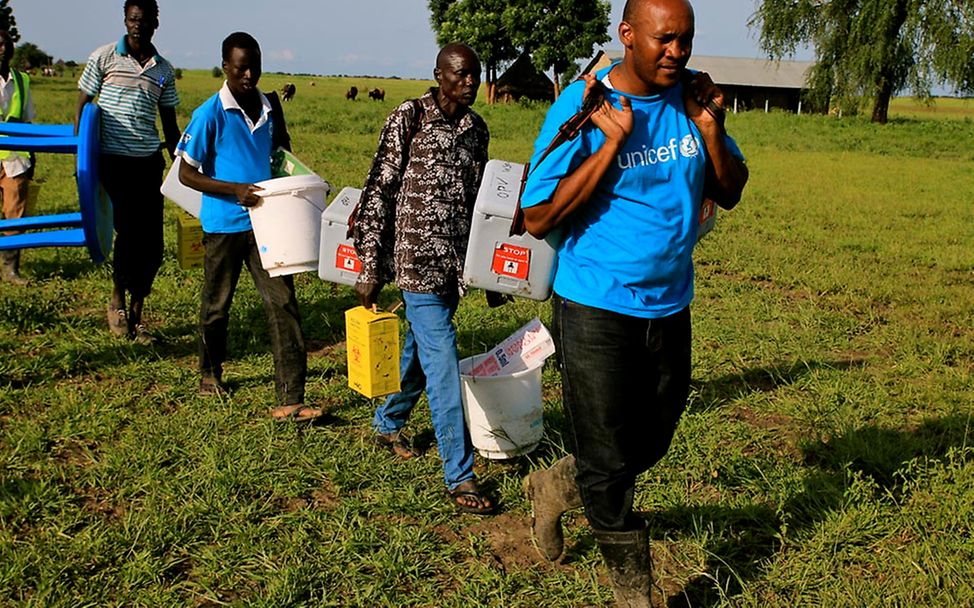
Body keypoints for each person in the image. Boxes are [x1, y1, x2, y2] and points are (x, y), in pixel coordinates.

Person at [518, 0, 749, 605]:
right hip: (594, 303)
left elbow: (730, 191)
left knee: (650, 439)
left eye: (686, 39)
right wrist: (608, 146)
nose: (677, 52)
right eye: (664, 39)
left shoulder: (693, 103)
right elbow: (537, 215)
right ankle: (634, 594)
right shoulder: (583, 106)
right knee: (609, 459)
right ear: (627, 35)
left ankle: (558, 484)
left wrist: (712, 130)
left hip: (670, 303)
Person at [352, 43, 494, 515]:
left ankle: (387, 422)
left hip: (452, 268)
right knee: (442, 361)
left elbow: (479, 206)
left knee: (418, 351)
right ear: (438, 75)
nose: (469, 83)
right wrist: (369, 263)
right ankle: (461, 476)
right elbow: (379, 190)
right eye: (460, 75)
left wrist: (488, 273)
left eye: (474, 75)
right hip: (414, 265)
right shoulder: (409, 117)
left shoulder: (477, 130)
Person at [176, 31, 320, 424]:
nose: (249, 75)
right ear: (225, 66)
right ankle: (210, 374)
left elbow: (281, 154)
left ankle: (291, 397)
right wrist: (234, 189)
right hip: (224, 224)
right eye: (241, 67)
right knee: (217, 304)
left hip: (269, 224)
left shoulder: (271, 106)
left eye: (254, 66)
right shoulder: (209, 114)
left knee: (283, 303)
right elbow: (187, 174)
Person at [75, 0, 180, 343]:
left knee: (152, 241)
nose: (138, 26)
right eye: (134, 19)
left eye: (145, 20)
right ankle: (117, 300)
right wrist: (81, 162)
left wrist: (183, 161)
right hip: (112, 161)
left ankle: (138, 311)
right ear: (125, 20)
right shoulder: (104, 57)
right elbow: (82, 107)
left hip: (148, 162)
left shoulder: (163, 69)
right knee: (130, 231)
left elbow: (169, 124)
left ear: (156, 24)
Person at [0, 30, 36, 286]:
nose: (0, 48)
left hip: (14, 155)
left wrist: (32, 155)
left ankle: (10, 268)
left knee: (15, 212)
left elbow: (28, 119)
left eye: (4, 43)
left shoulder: (21, 80)